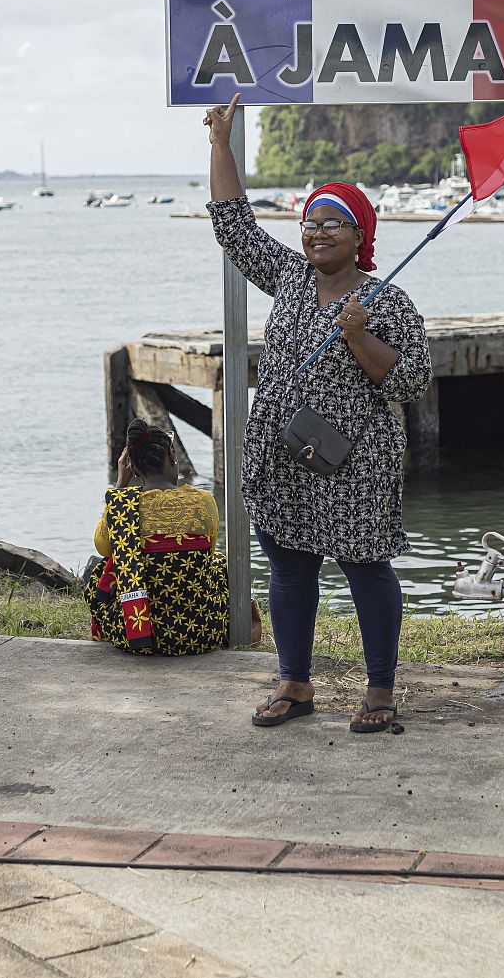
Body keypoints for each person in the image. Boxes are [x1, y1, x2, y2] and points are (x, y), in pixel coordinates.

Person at [204, 104, 430, 734]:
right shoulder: (290, 280)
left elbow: (413, 378)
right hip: (283, 452)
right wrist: (221, 144)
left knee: (365, 566)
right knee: (289, 566)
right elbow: (234, 227)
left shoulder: (387, 300)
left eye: (334, 224)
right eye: (310, 223)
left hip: (355, 459)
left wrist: (360, 338)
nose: (317, 233)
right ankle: (294, 684)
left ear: (361, 236)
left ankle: (380, 691)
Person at [81, 419, 235, 655]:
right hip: (202, 631)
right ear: (172, 456)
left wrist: (120, 485)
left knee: (99, 569)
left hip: (138, 634)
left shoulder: (124, 506)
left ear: (132, 467)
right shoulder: (203, 502)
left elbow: (103, 547)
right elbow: (208, 551)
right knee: (219, 563)